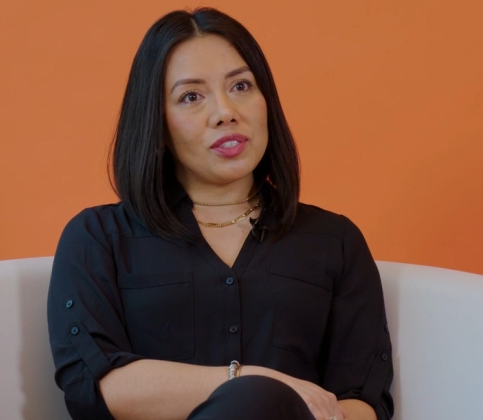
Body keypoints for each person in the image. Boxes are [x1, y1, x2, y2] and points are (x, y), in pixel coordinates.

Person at [47, 7, 393, 420]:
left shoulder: (335, 241)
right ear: (157, 124)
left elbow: (363, 401)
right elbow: (97, 387)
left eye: (242, 86)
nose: (226, 111)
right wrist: (249, 381)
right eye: (191, 96)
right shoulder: (98, 237)